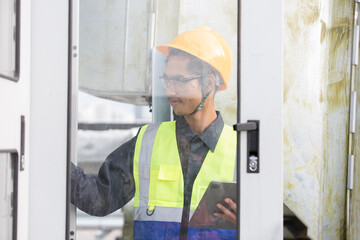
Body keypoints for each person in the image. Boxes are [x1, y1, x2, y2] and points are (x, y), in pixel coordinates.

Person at [71, 26, 237, 239]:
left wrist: (247, 226)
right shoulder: (147, 142)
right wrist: (54, 160)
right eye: (167, 80)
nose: (170, 90)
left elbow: (266, 225)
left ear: (209, 83)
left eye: (179, 80)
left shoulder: (241, 150)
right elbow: (99, 199)